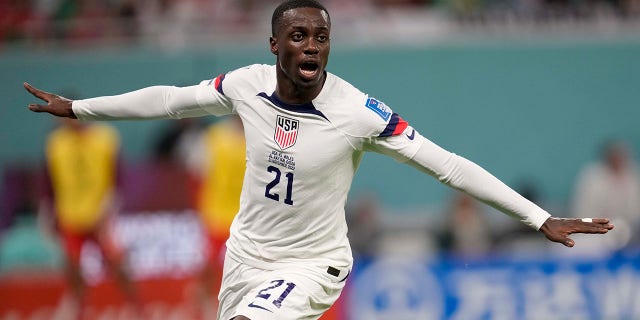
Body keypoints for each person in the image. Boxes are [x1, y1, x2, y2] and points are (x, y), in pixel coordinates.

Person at [23, 1, 614, 319]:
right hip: (246, 257)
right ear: (275, 45)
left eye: (321, 37)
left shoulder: (360, 112)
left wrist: (539, 218)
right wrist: (81, 108)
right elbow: (172, 100)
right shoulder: (247, 85)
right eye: (299, 36)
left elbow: (449, 165)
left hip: (313, 265)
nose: (312, 47)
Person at [39, 117, 140, 319]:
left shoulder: (105, 137)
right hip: (70, 218)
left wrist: (109, 208)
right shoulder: (56, 143)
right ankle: (79, 307)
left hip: (99, 218)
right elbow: (48, 181)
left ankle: (135, 307)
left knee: (117, 265)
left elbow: (118, 177)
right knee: (73, 268)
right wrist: (47, 213)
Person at [188, 115, 247, 318]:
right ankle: (199, 308)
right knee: (208, 268)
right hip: (216, 215)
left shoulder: (259, 135)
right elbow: (196, 174)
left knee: (247, 269)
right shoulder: (213, 137)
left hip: (246, 218)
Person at [570, 139, 640, 253]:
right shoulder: (592, 177)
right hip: (596, 234)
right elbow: (584, 212)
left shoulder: (633, 176)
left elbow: (635, 212)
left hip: (630, 234)